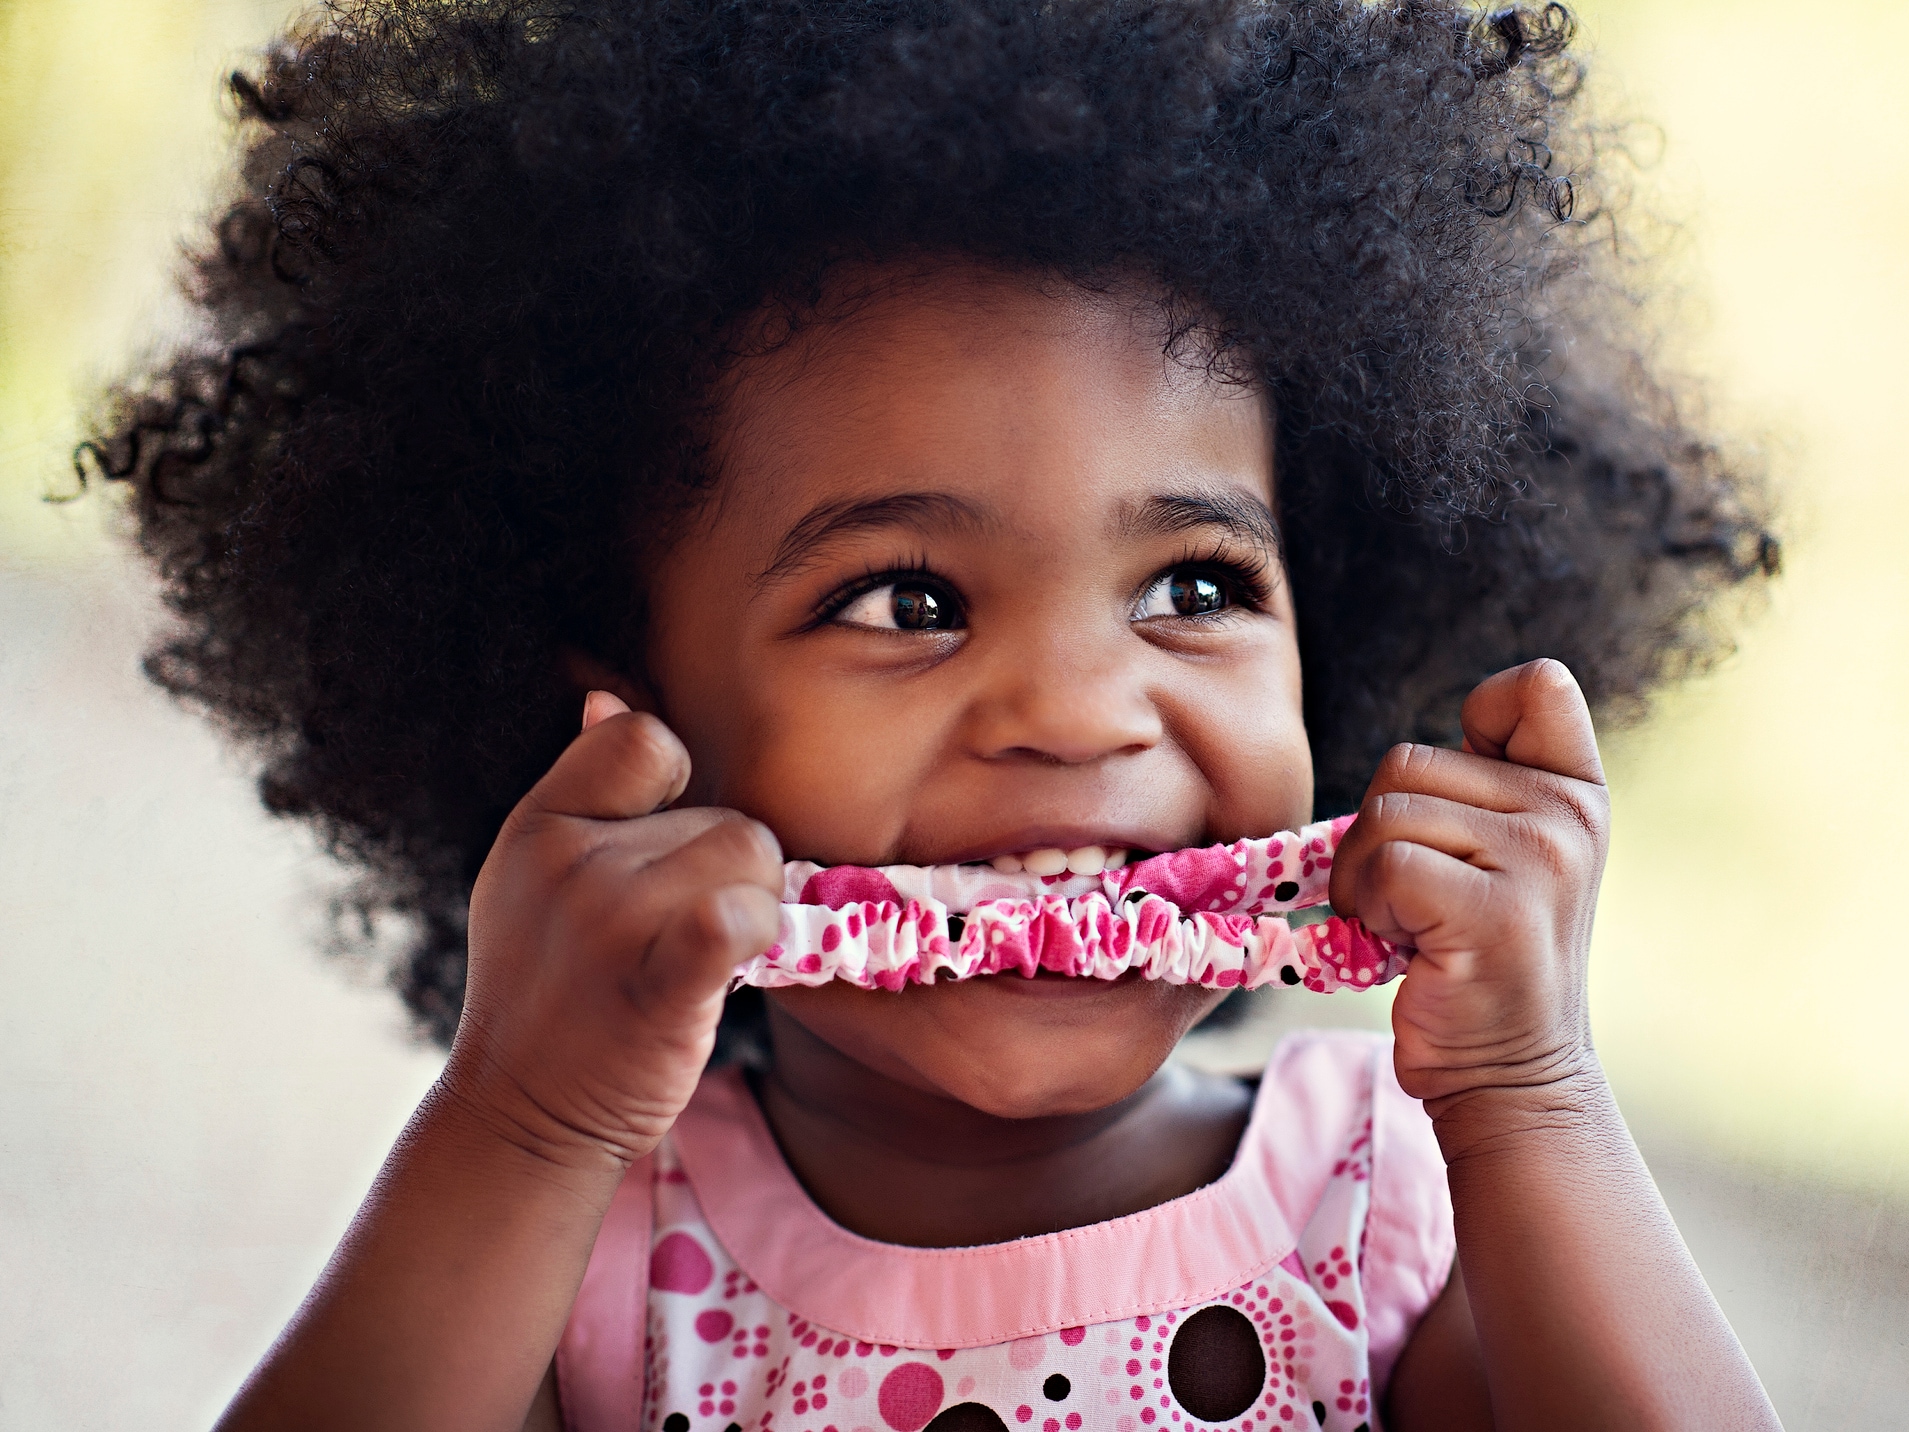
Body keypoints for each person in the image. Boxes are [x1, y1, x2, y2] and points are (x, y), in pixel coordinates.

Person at [84, 0, 1785, 1427]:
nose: (1073, 712)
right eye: (909, 601)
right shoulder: (585, 1244)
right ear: (627, 721)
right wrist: (526, 1120)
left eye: (1194, 587)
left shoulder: (1392, 1219)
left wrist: (1530, 1096)